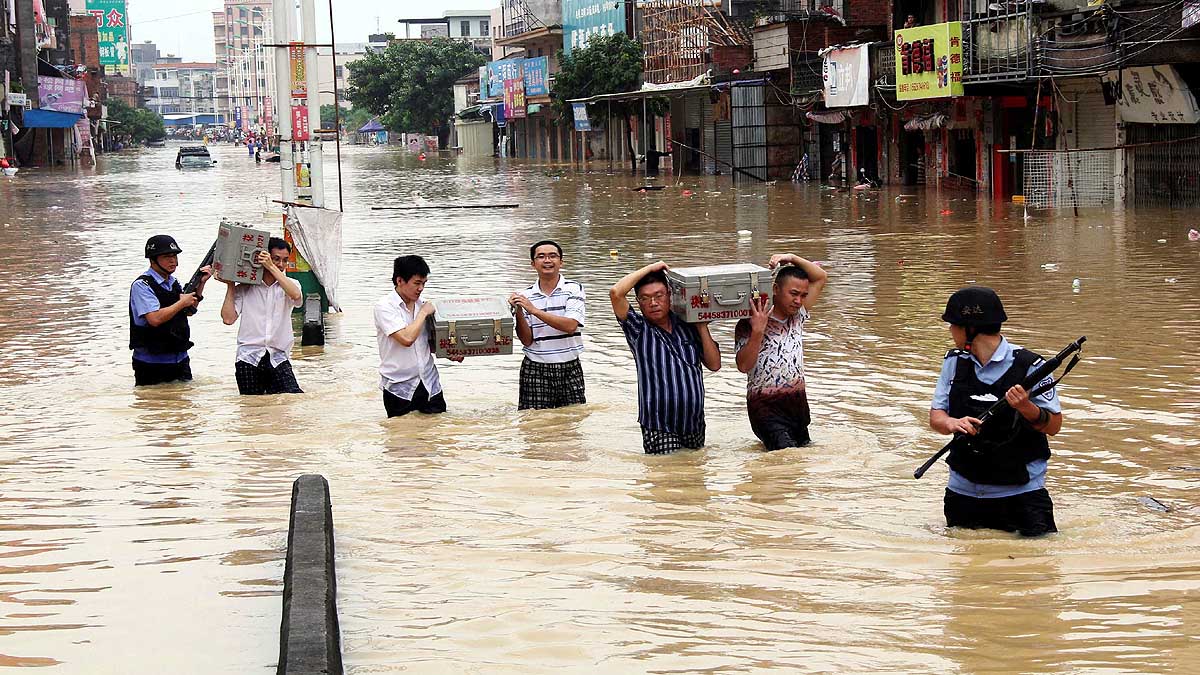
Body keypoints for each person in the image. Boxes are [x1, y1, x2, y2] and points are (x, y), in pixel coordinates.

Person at [929, 286, 1063, 537]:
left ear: (970, 329)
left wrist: (1025, 407)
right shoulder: (953, 362)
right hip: (962, 494)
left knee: (1034, 571)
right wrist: (952, 423)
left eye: (953, 325)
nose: (950, 331)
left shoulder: (1032, 366)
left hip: (1022, 496)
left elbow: (1054, 426)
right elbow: (936, 417)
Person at [609, 261, 721, 454]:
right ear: (638, 302)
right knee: (665, 478)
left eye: (658, 296)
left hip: (693, 422)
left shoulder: (688, 324)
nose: (653, 303)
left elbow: (714, 364)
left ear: (670, 295)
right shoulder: (638, 329)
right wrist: (650, 268)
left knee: (695, 479)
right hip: (658, 424)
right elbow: (616, 293)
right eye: (645, 298)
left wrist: (702, 326)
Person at [734, 254, 828, 450]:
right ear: (775, 289)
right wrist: (758, 331)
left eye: (803, 295)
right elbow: (743, 366)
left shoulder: (798, 316)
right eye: (793, 293)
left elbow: (820, 277)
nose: (799, 301)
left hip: (797, 407)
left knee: (797, 467)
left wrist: (792, 257)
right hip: (765, 409)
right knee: (787, 458)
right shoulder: (749, 322)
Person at [374, 255, 463, 418]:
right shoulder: (385, 307)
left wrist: (450, 353)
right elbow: (406, 339)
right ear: (400, 281)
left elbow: (430, 344)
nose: (421, 288)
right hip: (399, 388)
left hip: (430, 383)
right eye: (417, 283)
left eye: (424, 283)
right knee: (403, 440)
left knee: (435, 437)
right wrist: (422, 313)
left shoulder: (423, 305)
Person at [218, 238, 304, 395]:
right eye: (276, 259)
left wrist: (271, 266)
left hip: (278, 355)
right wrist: (230, 285)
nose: (281, 264)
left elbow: (296, 296)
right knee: (253, 409)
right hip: (248, 357)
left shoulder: (291, 284)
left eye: (285, 260)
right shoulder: (245, 288)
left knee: (293, 400)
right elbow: (228, 319)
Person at [509, 240, 587, 410]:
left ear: (561, 262)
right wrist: (519, 311)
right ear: (533, 264)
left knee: (573, 422)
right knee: (535, 425)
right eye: (541, 256)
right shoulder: (524, 295)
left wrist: (533, 309)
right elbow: (527, 340)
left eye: (553, 256)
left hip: (570, 365)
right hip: (535, 366)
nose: (547, 260)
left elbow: (570, 325)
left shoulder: (574, 288)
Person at [129, 235, 211, 386]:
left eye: (174, 256)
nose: (173, 260)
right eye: (167, 257)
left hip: (180, 359)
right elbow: (154, 319)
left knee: (183, 407)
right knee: (154, 407)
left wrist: (200, 285)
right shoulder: (142, 285)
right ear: (153, 259)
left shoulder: (173, 283)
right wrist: (181, 303)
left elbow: (189, 311)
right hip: (151, 363)